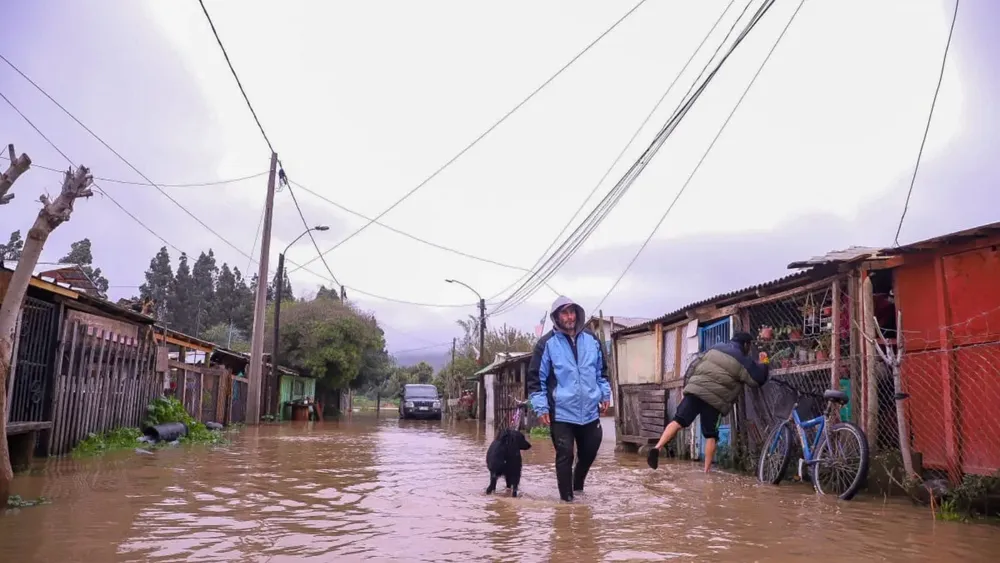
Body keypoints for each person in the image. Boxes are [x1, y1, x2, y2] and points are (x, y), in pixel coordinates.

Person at [526, 296, 611, 502]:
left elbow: (602, 371)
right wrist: (541, 407)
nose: (569, 316)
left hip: (590, 409)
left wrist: (604, 393)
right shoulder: (546, 344)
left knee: (590, 451)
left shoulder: (591, 340)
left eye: (572, 311)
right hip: (561, 410)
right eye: (564, 313)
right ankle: (567, 503)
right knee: (565, 454)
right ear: (556, 317)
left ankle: (577, 487)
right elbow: (536, 379)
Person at [647, 331, 769, 473]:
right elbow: (758, 379)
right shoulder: (744, 360)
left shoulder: (715, 348)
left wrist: (689, 385)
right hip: (714, 401)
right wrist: (764, 362)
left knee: (677, 421)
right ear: (746, 345)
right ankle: (707, 471)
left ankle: (657, 447)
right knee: (710, 435)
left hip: (695, 390)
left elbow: (695, 364)